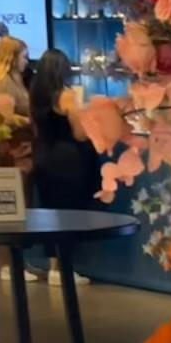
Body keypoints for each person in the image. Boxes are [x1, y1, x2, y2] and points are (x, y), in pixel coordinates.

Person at [29, 48, 101, 284]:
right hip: (69, 159)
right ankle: (63, 269)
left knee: (51, 213)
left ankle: (53, 268)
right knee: (69, 215)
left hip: (44, 157)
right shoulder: (67, 95)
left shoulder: (37, 95)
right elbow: (80, 133)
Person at [0, 36, 30, 117]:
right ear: (12, 57)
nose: (26, 61)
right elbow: (5, 119)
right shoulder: (4, 82)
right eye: (24, 57)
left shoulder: (17, 77)